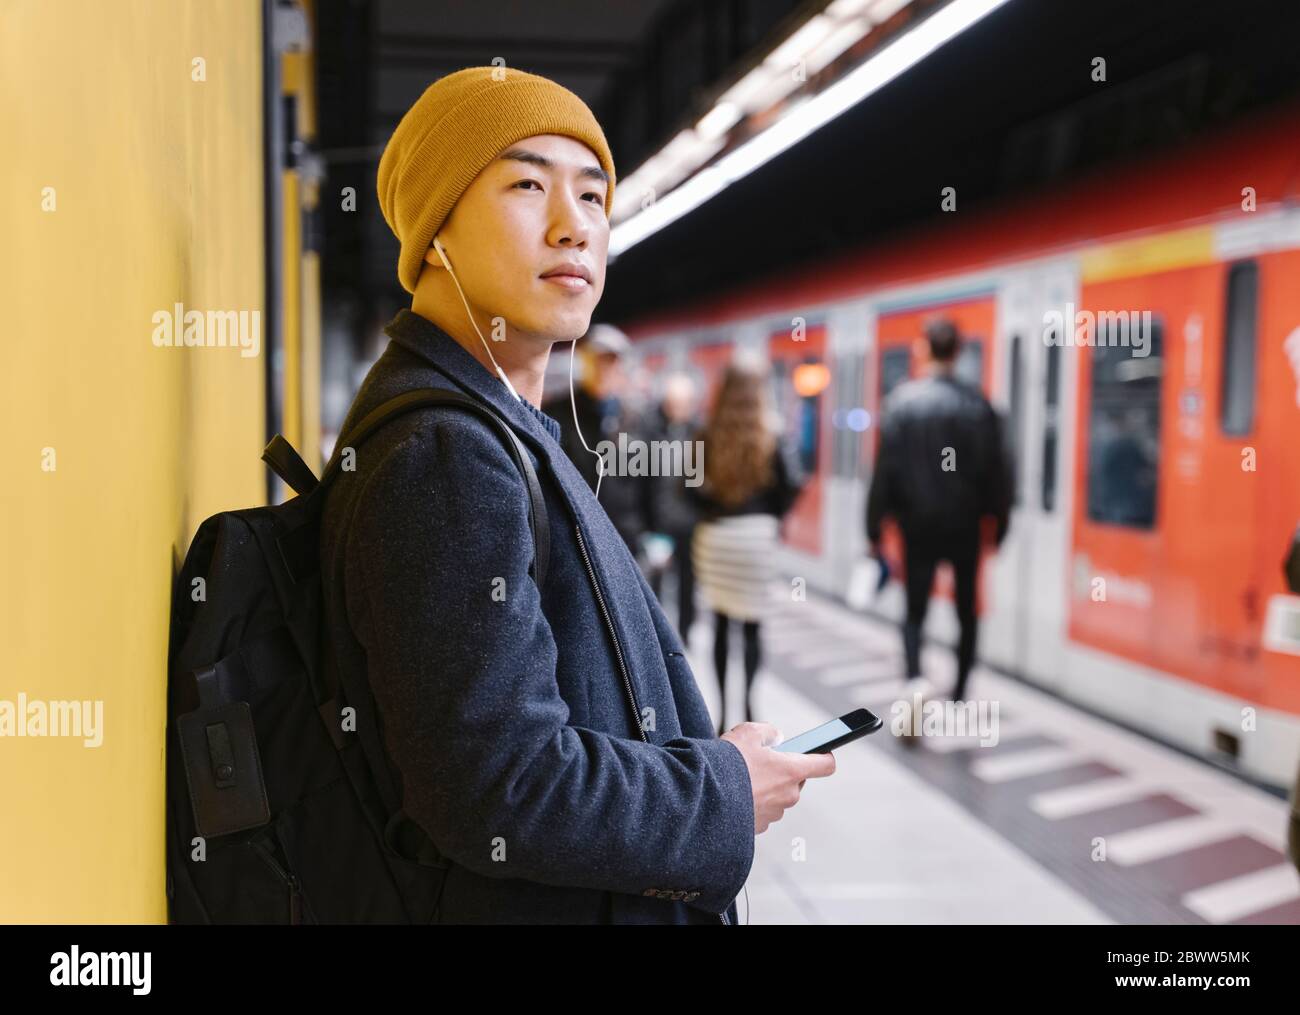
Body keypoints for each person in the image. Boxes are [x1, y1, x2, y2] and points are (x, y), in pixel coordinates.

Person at [319, 66, 834, 925]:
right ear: (435, 229)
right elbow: (500, 784)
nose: (574, 226)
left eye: (594, 197)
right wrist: (723, 793)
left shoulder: (497, 424)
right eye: (527, 184)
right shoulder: (448, 453)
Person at [865, 318, 1012, 719]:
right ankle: (961, 695)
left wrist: (874, 526)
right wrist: (1000, 523)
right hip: (965, 525)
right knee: (967, 609)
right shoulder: (981, 406)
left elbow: (885, 472)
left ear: (924, 349)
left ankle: (914, 682)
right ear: (959, 352)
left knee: (914, 610)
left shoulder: (903, 403)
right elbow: (999, 474)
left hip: (918, 524)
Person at [689, 355, 807, 736]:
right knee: (754, 626)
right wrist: (771, 515)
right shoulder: (772, 432)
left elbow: (687, 486)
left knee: (722, 624)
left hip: (718, 537)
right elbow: (793, 482)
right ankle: (752, 705)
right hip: (756, 539)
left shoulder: (707, 431)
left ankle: (723, 713)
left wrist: (711, 511)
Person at [543, 322, 653, 561]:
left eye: (611, 361)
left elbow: (647, 482)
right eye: (598, 359)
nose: (605, 369)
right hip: (575, 543)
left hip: (627, 542)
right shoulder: (557, 415)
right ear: (583, 361)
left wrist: (655, 532)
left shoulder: (637, 419)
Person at [644, 372, 703, 642]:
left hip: (689, 522)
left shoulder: (699, 432)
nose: (678, 410)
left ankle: (686, 634)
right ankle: (657, 636)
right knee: (654, 582)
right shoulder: (650, 430)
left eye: (683, 404)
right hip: (658, 521)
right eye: (673, 403)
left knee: (688, 583)